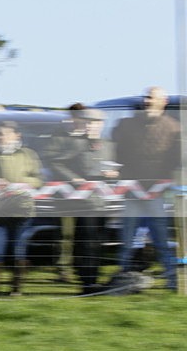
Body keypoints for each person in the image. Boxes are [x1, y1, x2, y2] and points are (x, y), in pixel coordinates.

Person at [112, 86, 179, 291]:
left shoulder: (174, 128)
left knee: (161, 239)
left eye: (151, 97)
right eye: (146, 97)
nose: (147, 101)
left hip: (157, 194)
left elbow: (176, 161)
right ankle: (122, 282)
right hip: (132, 192)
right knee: (127, 240)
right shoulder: (127, 125)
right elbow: (119, 154)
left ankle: (172, 281)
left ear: (163, 101)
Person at [45, 105, 117, 295]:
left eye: (96, 123)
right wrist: (73, 178)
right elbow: (56, 162)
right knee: (87, 241)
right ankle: (88, 281)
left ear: (102, 125)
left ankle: (92, 277)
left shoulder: (109, 144)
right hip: (83, 201)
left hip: (104, 201)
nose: (92, 126)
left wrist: (114, 173)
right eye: (89, 122)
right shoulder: (75, 143)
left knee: (98, 241)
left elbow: (116, 167)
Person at [0, 121, 43, 296]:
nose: (0, 138)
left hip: (22, 210)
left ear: (17, 136)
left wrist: (20, 185)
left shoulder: (28, 155)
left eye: (5, 134)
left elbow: (38, 179)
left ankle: (16, 288)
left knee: (18, 248)